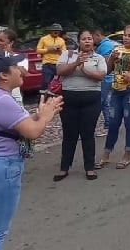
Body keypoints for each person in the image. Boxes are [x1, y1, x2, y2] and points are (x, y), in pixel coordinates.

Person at [0, 50, 63, 250]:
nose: (22, 71)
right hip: (0, 169)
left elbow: (18, 126)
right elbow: (33, 132)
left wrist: (40, 115)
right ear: (3, 75)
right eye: (16, 67)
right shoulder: (1, 100)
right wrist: (44, 117)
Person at [95, 25, 130, 170]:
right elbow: (108, 70)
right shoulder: (117, 50)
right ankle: (106, 155)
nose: (126, 38)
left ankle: (127, 154)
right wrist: (111, 60)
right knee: (113, 123)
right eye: (125, 35)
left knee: (129, 122)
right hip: (116, 90)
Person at [54, 31, 107, 181]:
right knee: (69, 134)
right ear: (78, 42)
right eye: (84, 39)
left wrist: (84, 69)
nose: (87, 41)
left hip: (91, 100)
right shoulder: (68, 55)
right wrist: (76, 63)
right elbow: (59, 71)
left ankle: (89, 168)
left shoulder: (99, 58)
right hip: (69, 98)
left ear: (93, 41)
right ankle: (64, 168)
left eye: (89, 39)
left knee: (88, 134)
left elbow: (101, 76)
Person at [0, 29, 29, 106]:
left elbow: (23, 73)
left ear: (11, 43)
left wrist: (9, 57)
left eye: (1, 40)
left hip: (14, 98)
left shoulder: (20, 57)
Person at [93, 28, 116, 136]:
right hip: (106, 78)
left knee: (99, 102)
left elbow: (106, 64)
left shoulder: (106, 45)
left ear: (98, 35)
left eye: (93, 38)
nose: (93, 41)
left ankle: (91, 127)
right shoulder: (104, 45)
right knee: (104, 103)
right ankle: (108, 125)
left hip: (105, 79)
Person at [36, 23, 66, 90]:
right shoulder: (43, 39)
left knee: (60, 82)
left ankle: (57, 96)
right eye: (54, 30)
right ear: (50, 31)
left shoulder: (61, 40)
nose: (56, 32)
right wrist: (48, 50)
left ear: (60, 32)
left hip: (58, 64)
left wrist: (59, 50)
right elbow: (38, 50)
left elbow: (65, 52)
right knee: (46, 82)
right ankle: (43, 97)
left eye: (57, 30)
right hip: (47, 63)